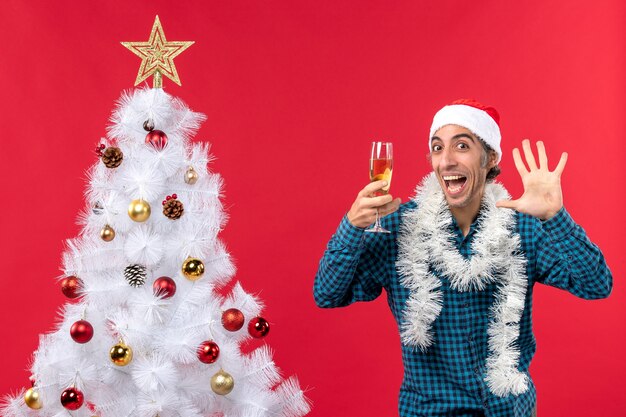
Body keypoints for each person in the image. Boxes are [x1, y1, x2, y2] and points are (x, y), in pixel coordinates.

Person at [313, 99, 612, 417]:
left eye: (462, 146)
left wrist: (555, 216)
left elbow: (596, 285)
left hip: (509, 410)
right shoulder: (399, 228)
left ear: (490, 158)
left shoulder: (522, 227)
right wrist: (352, 227)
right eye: (438, 148)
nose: (447, 160)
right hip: (430, 411)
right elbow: (327, 294)